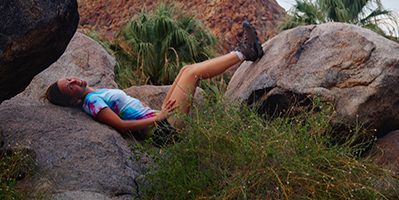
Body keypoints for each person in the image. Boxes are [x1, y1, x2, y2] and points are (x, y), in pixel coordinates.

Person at [45, 21, 264, 143]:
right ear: (73, 100)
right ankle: (244, 53)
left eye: (69, 79)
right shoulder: (92, 102)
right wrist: (159, 117)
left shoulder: (95, 93)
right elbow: (120, 126)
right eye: (70, 87)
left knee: (185, 70)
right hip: (163, 131)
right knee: (192, 75)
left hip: (160, 120)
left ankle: (243, 52)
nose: (73, 80)